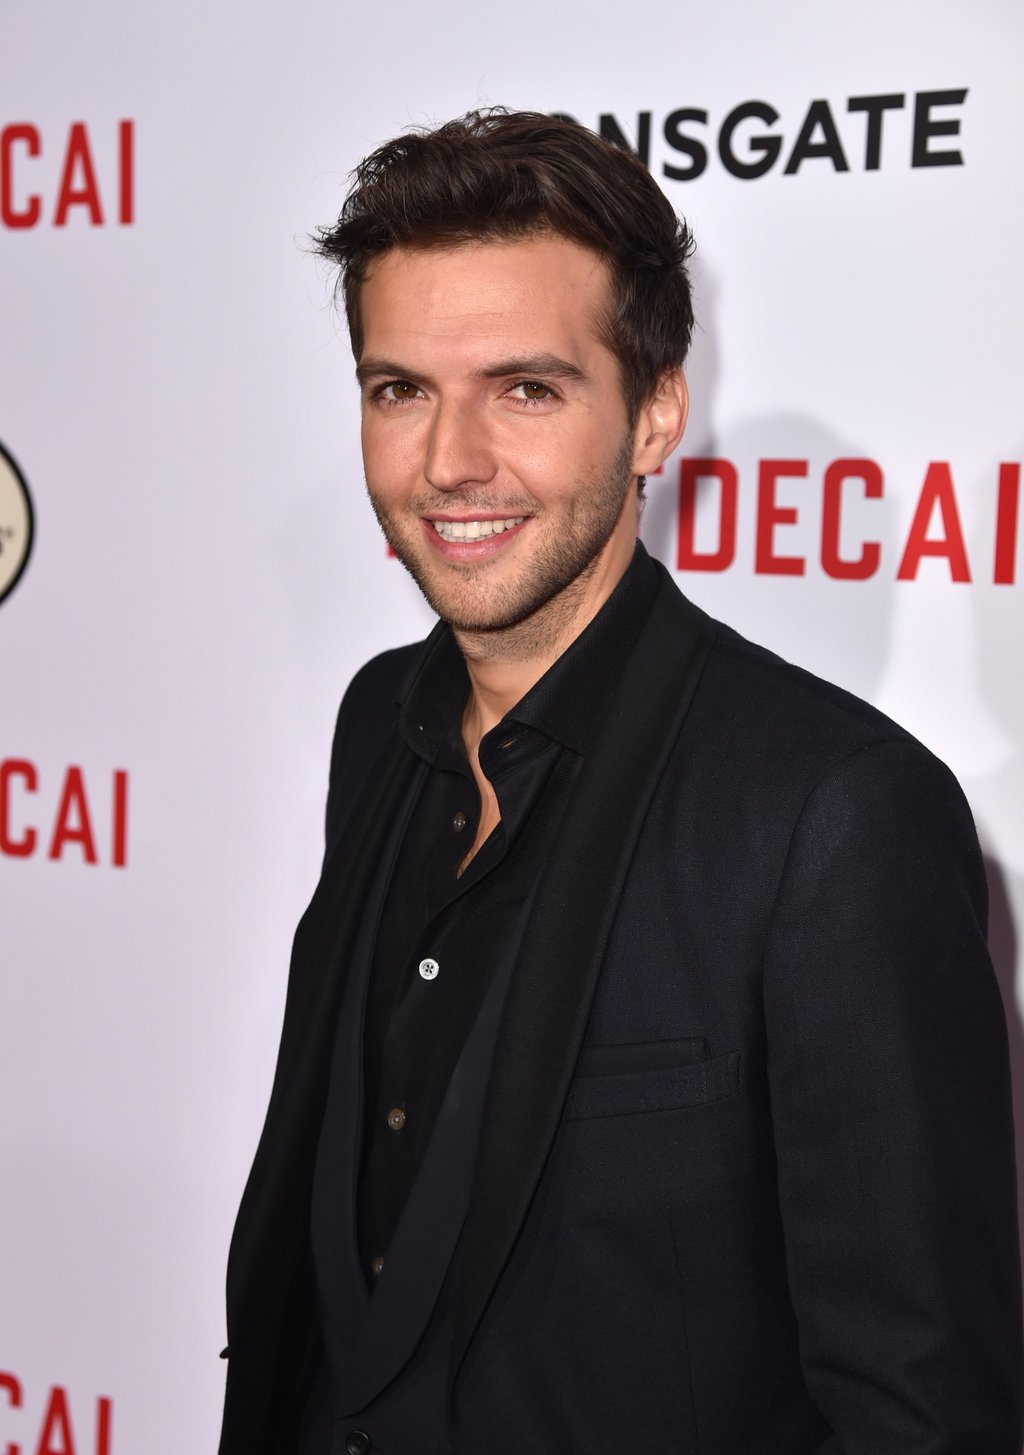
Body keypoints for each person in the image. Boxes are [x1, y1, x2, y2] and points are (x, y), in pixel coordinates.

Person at [219, 109, 1023, 1455]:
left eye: (525, 390)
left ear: (654, 415)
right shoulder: (377, 723)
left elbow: (922, 1410)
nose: (448, 461)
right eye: (400, 389)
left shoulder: (835, 815)